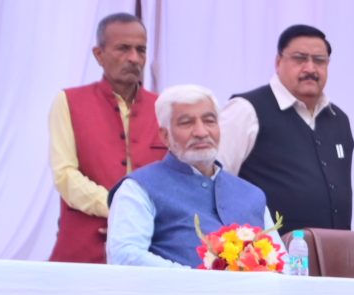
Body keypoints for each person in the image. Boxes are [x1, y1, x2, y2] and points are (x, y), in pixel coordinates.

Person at [107, 88, 270, 268]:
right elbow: (125, 255)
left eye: (209, 121)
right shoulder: (138, 188)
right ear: (165, 136)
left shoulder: (252, 195)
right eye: (186, 123)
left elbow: (281, 262)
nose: (201, 132)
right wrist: (192, 278)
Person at [48, 12, 162, 263]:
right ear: (99, 54)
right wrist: (120, 209)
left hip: (152, 245)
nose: (134, 58)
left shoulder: (163, 107)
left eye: (141, 50)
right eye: (123, 48)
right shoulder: (69, 101)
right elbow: (65, 175)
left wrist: (137, 219)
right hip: (84, 247)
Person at [221, 24, 353, 235]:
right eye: (300, 59)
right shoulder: (246, 110)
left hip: (332, 252)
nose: (310, 69)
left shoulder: (338, 120)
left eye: (319, 60)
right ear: (278, 62)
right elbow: (214, 181)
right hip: (265, 251)